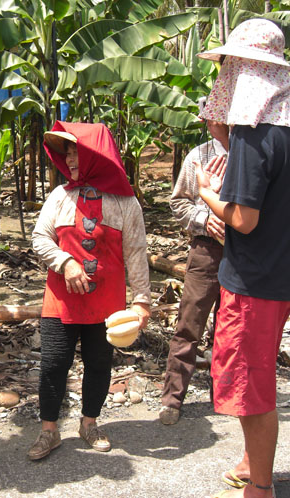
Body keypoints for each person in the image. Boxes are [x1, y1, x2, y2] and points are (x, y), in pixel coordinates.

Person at [196, 18, 290, 498]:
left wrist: (209, 194)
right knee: (260, 372)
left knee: (252, 387)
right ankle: (254, 458)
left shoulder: (255, 134)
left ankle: (260, 485)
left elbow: (246, 219)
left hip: (255, 279)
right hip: (282, 270)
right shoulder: (282, 128)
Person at [28, 121, 151, 460]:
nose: (70, 162)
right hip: (60, 300)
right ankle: (48, 431)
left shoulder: (126, 203)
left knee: (99, 363)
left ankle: (89, 423)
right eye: (67, 155)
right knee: (54, 363)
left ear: (97, 157)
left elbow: (136, 253)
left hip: (107, 303)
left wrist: (141, 300)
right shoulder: (59, 196)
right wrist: (65, 262)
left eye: (77, 155)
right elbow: (40, 238)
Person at [159, 118, 229, 426]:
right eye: (212, 119)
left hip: (246, 251)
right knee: (190, 323)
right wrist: (205, 218)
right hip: (207, 250)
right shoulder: (198, 156)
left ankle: (224, 395)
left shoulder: (250, 154)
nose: (218, 124)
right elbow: (179, 204)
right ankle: (173, 398)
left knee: (230, 328)